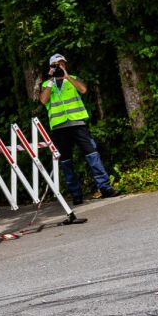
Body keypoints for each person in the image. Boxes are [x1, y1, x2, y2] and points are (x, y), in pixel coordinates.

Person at [39, 53, 119, 205]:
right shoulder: (46, 84)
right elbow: (43, 100)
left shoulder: (72, 78)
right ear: (51, 67)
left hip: (77, 124)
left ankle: (105, 188)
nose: (60, 66)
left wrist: (67, 77)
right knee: (66, 161)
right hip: (59, 127)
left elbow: (83, 90)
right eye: (56, 65)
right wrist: (50, 79)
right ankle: (76, 194)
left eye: (62, 64)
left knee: (92, 154)